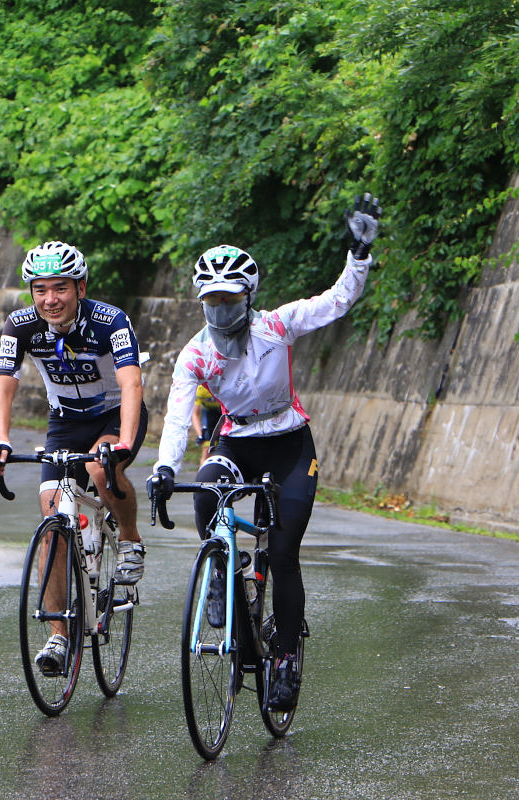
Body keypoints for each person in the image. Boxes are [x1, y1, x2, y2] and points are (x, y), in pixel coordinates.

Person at [147, 193, 381, 712]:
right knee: (207, 496)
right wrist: (164, 467)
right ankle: (223, 579)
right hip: (235, 441)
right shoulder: (195, 353)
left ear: (248, 299)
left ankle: (284, 661)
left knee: (281, 551)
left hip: (289, 446)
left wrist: (358, 255)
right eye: (211, 302)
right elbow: (177, 414)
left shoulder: (278, 326)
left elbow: (336, 300)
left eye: (230, 301)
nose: (220, 310)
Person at [0, 240, 148, 676]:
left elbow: (132, 386)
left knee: (100, 465)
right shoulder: (20, 327)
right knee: (51, 521)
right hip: (65, 422)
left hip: (114, 414)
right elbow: (4, 385)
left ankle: (129, 539)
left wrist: (125, 444)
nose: (50, 299)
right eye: (40, 289)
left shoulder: (110, 321)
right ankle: (58, 635)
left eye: (60, 288)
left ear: (80, 287)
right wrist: (1, 440)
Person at [190, 384, 222, 467]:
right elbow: (195, 414)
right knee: (207, 451)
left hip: (223, 415)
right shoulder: (201, 390)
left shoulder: (223, 386)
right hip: (209, 416)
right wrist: (200, 434)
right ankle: (203, 476)